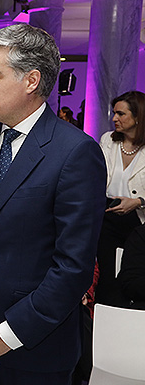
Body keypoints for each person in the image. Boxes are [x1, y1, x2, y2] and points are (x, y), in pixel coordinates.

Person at [0, 23, 107, 385]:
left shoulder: (75, 152)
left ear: (31, 81)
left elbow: (72, 267)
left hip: (35, 349)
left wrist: (5, 336)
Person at [95, 91, 145, 308]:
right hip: (107, 216)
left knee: (131, 276)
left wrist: (139, 202)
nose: (114, 118)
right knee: (107, 276)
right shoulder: (108, 141)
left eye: (120, 114)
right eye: (114, 113)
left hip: (138, 221)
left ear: (138, 117)